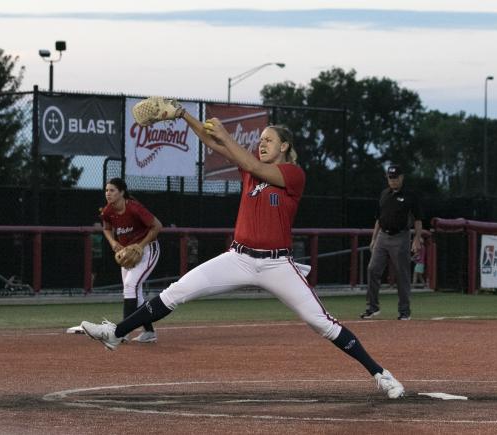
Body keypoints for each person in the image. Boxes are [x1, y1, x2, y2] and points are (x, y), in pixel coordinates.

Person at [80, 109, 404, 399]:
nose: (262, 144)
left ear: (285, 148)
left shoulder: (293, 174)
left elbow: (243, 157)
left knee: (322, 323)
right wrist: (183, 115)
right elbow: (215, 144)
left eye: (269, 140)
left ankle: (380, 374)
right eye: (260, 139)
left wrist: (226, 135)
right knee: (176, 292)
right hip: (238, 258)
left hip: (276, 264)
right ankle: (115, 333)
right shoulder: (252, 170)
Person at [101, 177, 163, 343]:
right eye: (107, 190)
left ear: (121, 192)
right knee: (134, 292)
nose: (108, 193)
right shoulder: (108, 211)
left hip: (148, 249)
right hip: (128, 253)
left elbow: (157, 226)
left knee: (130, 286)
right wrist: (114, 242)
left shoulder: (134, 208)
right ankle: (149, 332)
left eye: (112, 190)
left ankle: (122, 332)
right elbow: (106, 228)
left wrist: (141, 246)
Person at [361, 165, 422, 321]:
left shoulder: (410, 196)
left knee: (402, 274)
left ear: (401, 178)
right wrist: (374, 239)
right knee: (372, 269)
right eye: (390, 178)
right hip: (382, 235)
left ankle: (404, 311)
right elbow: (378, 219)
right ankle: (372, 307)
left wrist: (416, 239)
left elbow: (418, 219)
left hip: (401, 236)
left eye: (395, 177)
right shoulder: (384, 194)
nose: (393, 180)